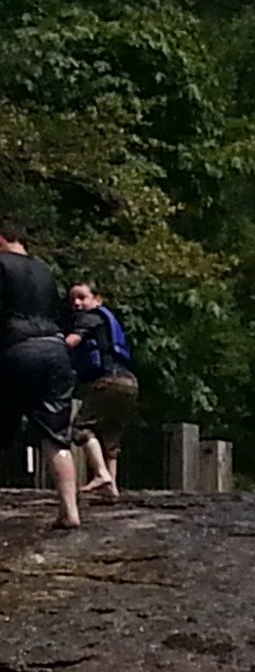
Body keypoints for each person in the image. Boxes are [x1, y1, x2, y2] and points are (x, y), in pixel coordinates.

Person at [0, 222, 80, 530]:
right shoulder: (45, 271)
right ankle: (70, 511)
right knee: (56, 435)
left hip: (16, 349)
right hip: (55, 349)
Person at [63, 282, 139, 503]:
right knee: (110, 435)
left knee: (80, 428)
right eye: (73, 299)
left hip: (109, 381)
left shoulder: (90, 317)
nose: (77, 303)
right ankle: (111, 488)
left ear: (97, 299)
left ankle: (100, 474)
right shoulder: (108, 322)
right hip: (130, 382)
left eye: (82, 297)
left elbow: (72, 342)